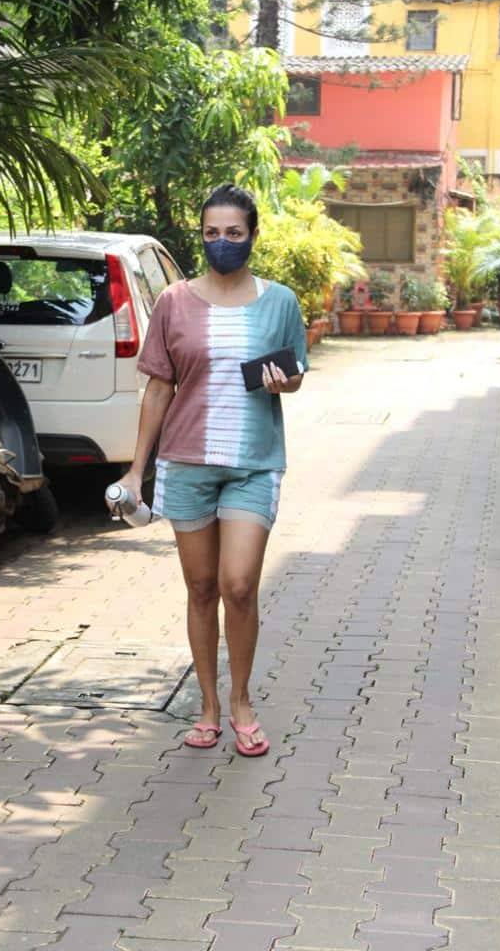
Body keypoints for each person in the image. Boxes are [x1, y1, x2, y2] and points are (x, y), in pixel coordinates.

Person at [119, 183, 308, 756]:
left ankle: (242, 700)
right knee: (201, 589)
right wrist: (135, 472)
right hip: (187, 464)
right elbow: (158, 388)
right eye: (210, 233)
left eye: (233, 233)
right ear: (200, 236)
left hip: (253, 463)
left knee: (239, 585)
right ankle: (207, 705)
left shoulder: (280, 302)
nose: (221, 243)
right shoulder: (174, 301)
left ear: (252, 235)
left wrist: (287, 380)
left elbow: (296, 371)